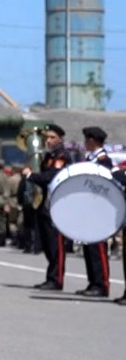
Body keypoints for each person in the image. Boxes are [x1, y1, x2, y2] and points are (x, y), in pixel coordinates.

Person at [26, 124, 72, 291]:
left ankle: (56, 279)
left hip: (57, 204)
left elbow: (52, 176)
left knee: (55, 244)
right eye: (47, 137)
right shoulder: (49, 155)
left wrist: (31, 175)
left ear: (60, 139)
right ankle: (51, 277)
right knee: (47, 243)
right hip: (46, 203)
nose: (48, 140)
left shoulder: (61, 155)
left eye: (52, 137)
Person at [76, 126, 112, 297]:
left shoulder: (103, 160)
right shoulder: (90, 159)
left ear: (92, 141)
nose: (85, 143)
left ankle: (102, 284)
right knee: (89, 248)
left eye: (86, 140)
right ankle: (93, 282)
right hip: (89, 208)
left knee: (98, 248)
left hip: (98, 209)